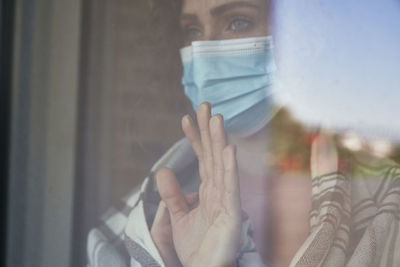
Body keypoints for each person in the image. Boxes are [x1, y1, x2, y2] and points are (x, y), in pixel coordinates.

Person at [87, 0, 400, 266]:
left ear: (307, 35)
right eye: (192, 31)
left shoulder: (385, 195)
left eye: (237, 22)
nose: (205, 52)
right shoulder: (134, 227)